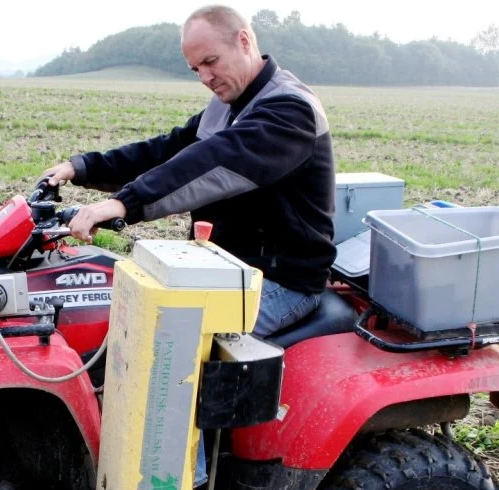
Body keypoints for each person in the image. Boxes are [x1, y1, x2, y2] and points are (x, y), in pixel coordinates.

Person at [41, 4, 337, 339]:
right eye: (196, 69)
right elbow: (166, 151)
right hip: (226, 268)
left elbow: (213, 161)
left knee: (175, 347)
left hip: (280, 280)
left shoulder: (289, 109)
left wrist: (125, 203)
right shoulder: (228, 104)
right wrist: (82, 167)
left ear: (243, 41)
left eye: (211, 62)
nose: (205, 78)